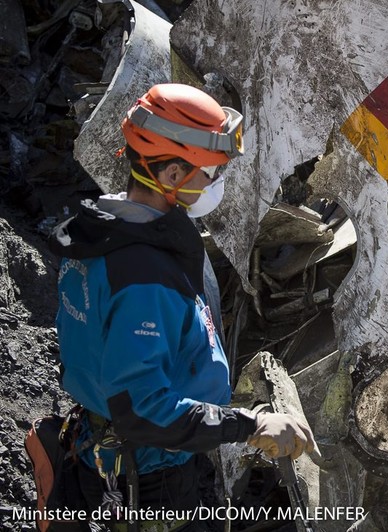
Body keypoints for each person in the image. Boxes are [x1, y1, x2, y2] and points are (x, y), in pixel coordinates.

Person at [45, 83, 316, 531]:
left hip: (114, 453)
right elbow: (144, 409)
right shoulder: (143, 275)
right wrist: (250, 425)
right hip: (153, 482)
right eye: (211, 172)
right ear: (171, 176)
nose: (218, 183)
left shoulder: (102, 232)